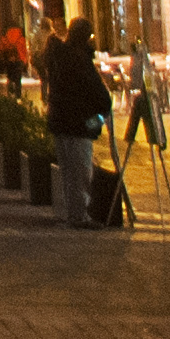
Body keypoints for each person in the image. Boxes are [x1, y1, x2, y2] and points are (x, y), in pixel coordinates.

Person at [42, 19, 115, 226]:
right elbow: (93, 90)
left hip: (61, 121)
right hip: (78, 122)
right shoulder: (77, 58)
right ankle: (79, 215)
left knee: (69, 171)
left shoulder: (59, 55)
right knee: (80, 171)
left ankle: (73, 213)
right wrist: (102, 110)